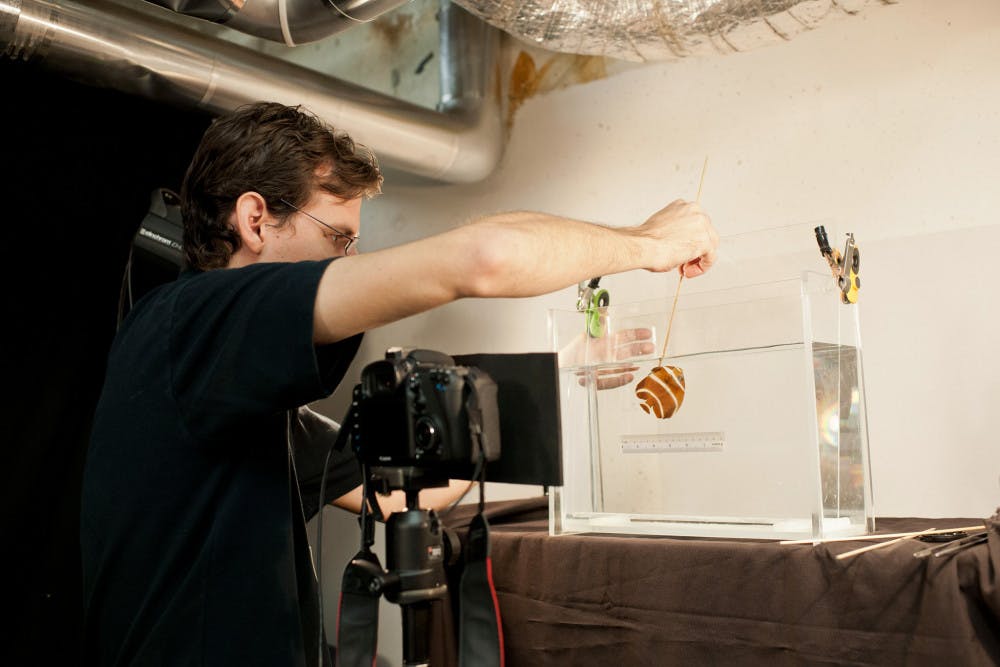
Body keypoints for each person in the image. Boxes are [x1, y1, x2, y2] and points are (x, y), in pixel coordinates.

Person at [80, 101, 719, 667]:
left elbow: (402, 496)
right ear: (255, 219)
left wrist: (563, 376)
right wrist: (645, 242)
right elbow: (484, 258)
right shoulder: (192, 321)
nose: (349, 262)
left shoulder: (234, 391)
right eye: (338, 237)